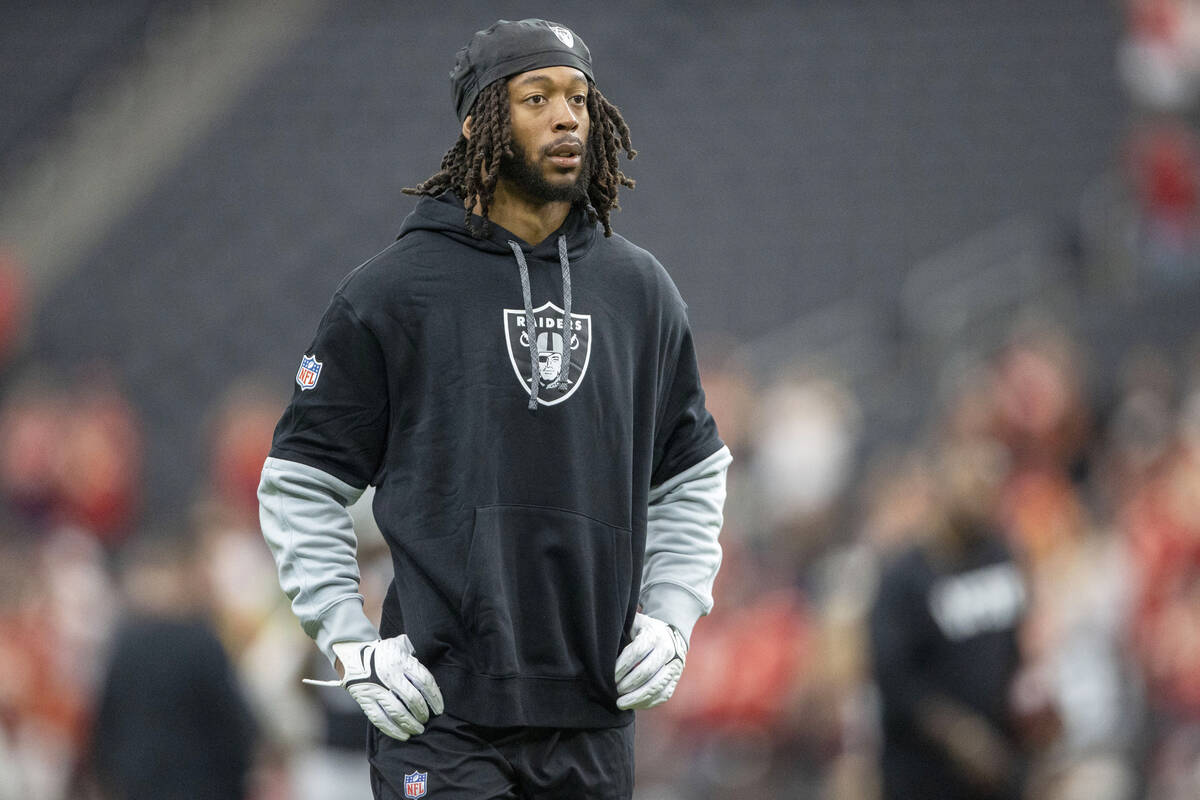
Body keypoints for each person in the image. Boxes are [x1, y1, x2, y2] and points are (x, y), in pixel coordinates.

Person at [258, 18, 730, 800]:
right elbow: (301, 482)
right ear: (480, 121)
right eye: (536, 96)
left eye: (579, 97)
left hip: (593, 714)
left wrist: (672, 614)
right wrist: (347, 641)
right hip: (441, 715)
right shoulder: (389, 292)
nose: (568, 116)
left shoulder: (641, 293)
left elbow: (691, 474)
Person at [868, 440, 1027, 800]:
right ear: (939, 484)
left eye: (988, 480)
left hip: (999, 768)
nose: (980, 490)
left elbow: (1014, 651)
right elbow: (894, 682)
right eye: (969, 478)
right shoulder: (903, 579)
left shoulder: (1002, 558)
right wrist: (960, 735)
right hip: (922, 774)